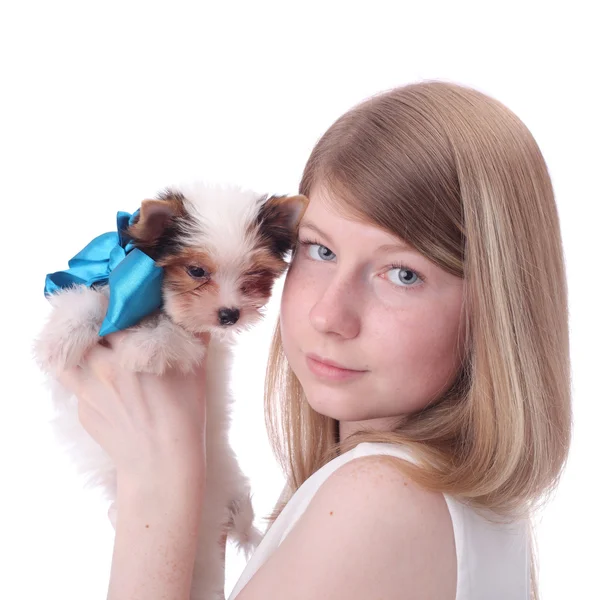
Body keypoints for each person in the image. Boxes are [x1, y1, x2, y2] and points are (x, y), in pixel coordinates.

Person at [58, 80, 572, 600]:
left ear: (497, 305)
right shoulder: (459, 501)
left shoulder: (377, 499)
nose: (330, 315)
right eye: (320, 251)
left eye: (403, 274)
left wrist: (159, 488)